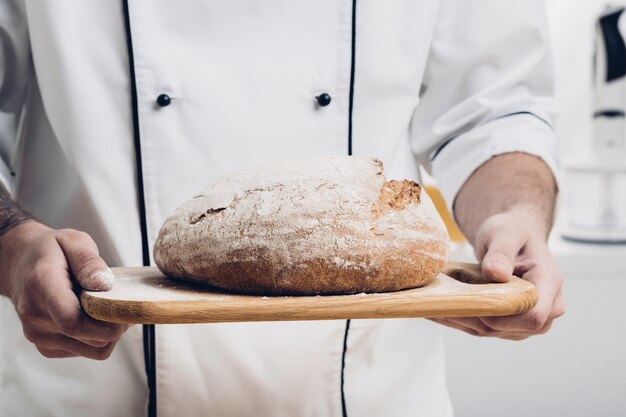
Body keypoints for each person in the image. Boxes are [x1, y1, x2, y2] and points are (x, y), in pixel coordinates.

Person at [0, 1, 565, 416]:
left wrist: (513, 213)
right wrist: (13, 242)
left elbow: (493, 111)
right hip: (91, 384)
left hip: (368, 391)